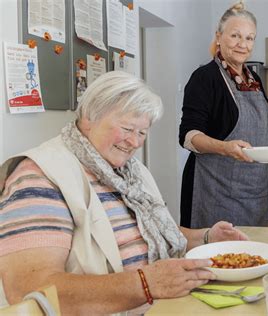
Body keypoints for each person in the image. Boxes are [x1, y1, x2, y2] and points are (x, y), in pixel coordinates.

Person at [0, 71, 248, 315]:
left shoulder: (128, 170)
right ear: (88, 118)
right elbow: (30, 292)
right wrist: (145, 284)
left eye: (142, 132)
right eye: (127, 129)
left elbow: (148, 232)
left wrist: (205, 238)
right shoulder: (38, 179)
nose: (135, 142)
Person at [179, 1, 268, 229]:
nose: (243, 44)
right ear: (219, 37)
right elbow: (188, 136)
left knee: (252, 251)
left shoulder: (253, 78)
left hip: (254, 189)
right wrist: (225, 148)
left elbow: (245, 121)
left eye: (249, 38)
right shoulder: (205, 78)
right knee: (218, 258)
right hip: (215, 191)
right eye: (235, 36)